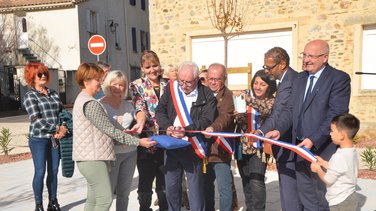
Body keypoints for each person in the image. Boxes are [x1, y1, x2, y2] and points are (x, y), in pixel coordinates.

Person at [266, 39, 351, 210]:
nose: (306, 60)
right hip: (300, 149)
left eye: (311, 56)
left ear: (325, 57)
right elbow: (290, 110)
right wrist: (279, 129)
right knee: (305, 197)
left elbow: (335, 115)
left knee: (320, 199)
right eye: (304, 55)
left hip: (321, 151)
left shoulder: (338, 79)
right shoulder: (299, 79)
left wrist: (313, 138)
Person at [72, 63, 156, 211]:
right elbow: (111, 131)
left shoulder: (83, 99)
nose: (100, 82)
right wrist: (138, 142)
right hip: (93, 158)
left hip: (92, 157)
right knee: (105, 200)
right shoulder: (91, 104)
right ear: (86, 82)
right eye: (98, 79)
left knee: (93, 200)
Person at [156, 61, 217, 211]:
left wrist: (187, 130)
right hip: (171, 145)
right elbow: (160, 111)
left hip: (192, 146)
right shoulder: (172, 90)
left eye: (188, 82)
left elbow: (207, 119)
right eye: (180, 81)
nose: (183, 85)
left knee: (196, 191)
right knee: (171, 189)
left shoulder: (207, 94)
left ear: (196, 79)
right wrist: (167, 127)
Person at [256, 47, 300, 211]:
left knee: (290, 197)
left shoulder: (291, 81)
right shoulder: (285, 80)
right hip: (283, 142)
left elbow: (281, 113)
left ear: (282, 64)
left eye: (269, 67)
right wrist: (260, 132)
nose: (266, 71)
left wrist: (262, 131)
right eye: (265, 67)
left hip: (289, 143)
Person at [23, 62, 68, 211]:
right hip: (38, 139)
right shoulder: (30, 96)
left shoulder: (54, 93)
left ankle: (53, 201)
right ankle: (38, 204)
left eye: (45, 74)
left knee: (54, 171)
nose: (43, 76)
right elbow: (36, 120)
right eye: (39, 74)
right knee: (40, 171)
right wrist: (56, 128)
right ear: (32, 77)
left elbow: (62, 113)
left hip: (55, 139)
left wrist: (63, 128)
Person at [99, 70, 144, 211]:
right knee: (107, 194)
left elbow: (140, 112)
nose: (118, 88)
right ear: (107, 85)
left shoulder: (128, 105)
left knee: (124, 193)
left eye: (121, 85)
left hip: (130, 153)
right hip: (111, 154)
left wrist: (139, 122)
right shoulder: (100, 105)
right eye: (114, 84)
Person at [129, 50, 168, 211]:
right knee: (146, 178)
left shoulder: (169, 84)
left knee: (164, 177)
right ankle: (144, 208)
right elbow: (140, 107)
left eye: (155, 65)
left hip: (167, 138)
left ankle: (165, 207)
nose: (152, 69)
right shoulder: (136, 85)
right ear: (142, 69)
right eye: (148, 67)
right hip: (147, 138)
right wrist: (140, 122)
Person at [235, 69, 277, 211]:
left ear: (270, 86)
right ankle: (250, 208)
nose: (258, 87)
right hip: (243, 145)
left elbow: (266, 110)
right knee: (245, 179)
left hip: (259, 147)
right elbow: (242, 123)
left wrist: (248, 101)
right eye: (256, 83)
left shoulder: (272, 101)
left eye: (262, 84)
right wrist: (238, 115)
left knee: (256, 180)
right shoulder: (246, 99)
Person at [310, 113, 359, 211]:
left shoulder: (339, 156)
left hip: (340, 202)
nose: (330, 134)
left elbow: (329, 179)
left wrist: (318, 169)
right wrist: (324, 163)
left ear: (341, 136)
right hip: (350, 196)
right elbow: (341, 169)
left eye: (332, 131)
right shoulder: (351, 152)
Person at [203, 63, 235, 211]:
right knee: (205, 187)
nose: (213, 82)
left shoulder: (228, 95)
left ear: (225, 79)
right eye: (210, 78)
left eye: (217, 79)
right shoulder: (202, 93)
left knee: (224, 188)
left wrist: (212, 128)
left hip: (220, 150)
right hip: (204, 150)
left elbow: (225, 117)